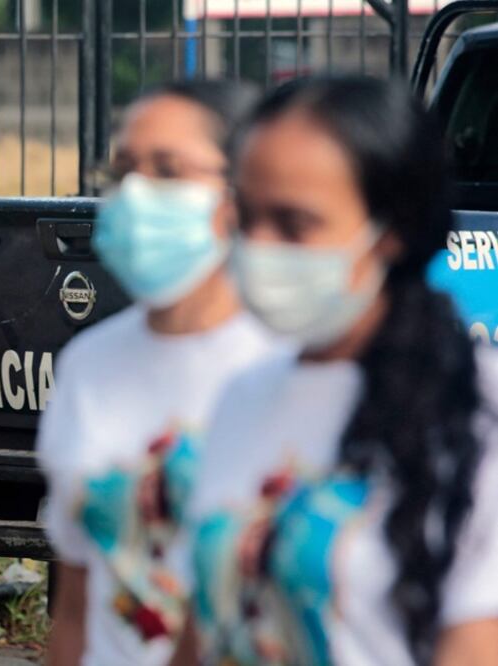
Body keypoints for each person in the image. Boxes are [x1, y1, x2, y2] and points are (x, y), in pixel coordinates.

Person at [179, 76, 498, 665]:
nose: (258, 246)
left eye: (294, 224)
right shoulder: (241, 396)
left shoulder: (479, 411)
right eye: (246, 217)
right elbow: (203, 628)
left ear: (392, 231)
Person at [36, 80, 276, 666]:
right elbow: (76, 603)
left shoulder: (284, 364)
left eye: (168, 170)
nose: (137, 195)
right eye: (123, 172)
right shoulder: (88, 366)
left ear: (242, 188)